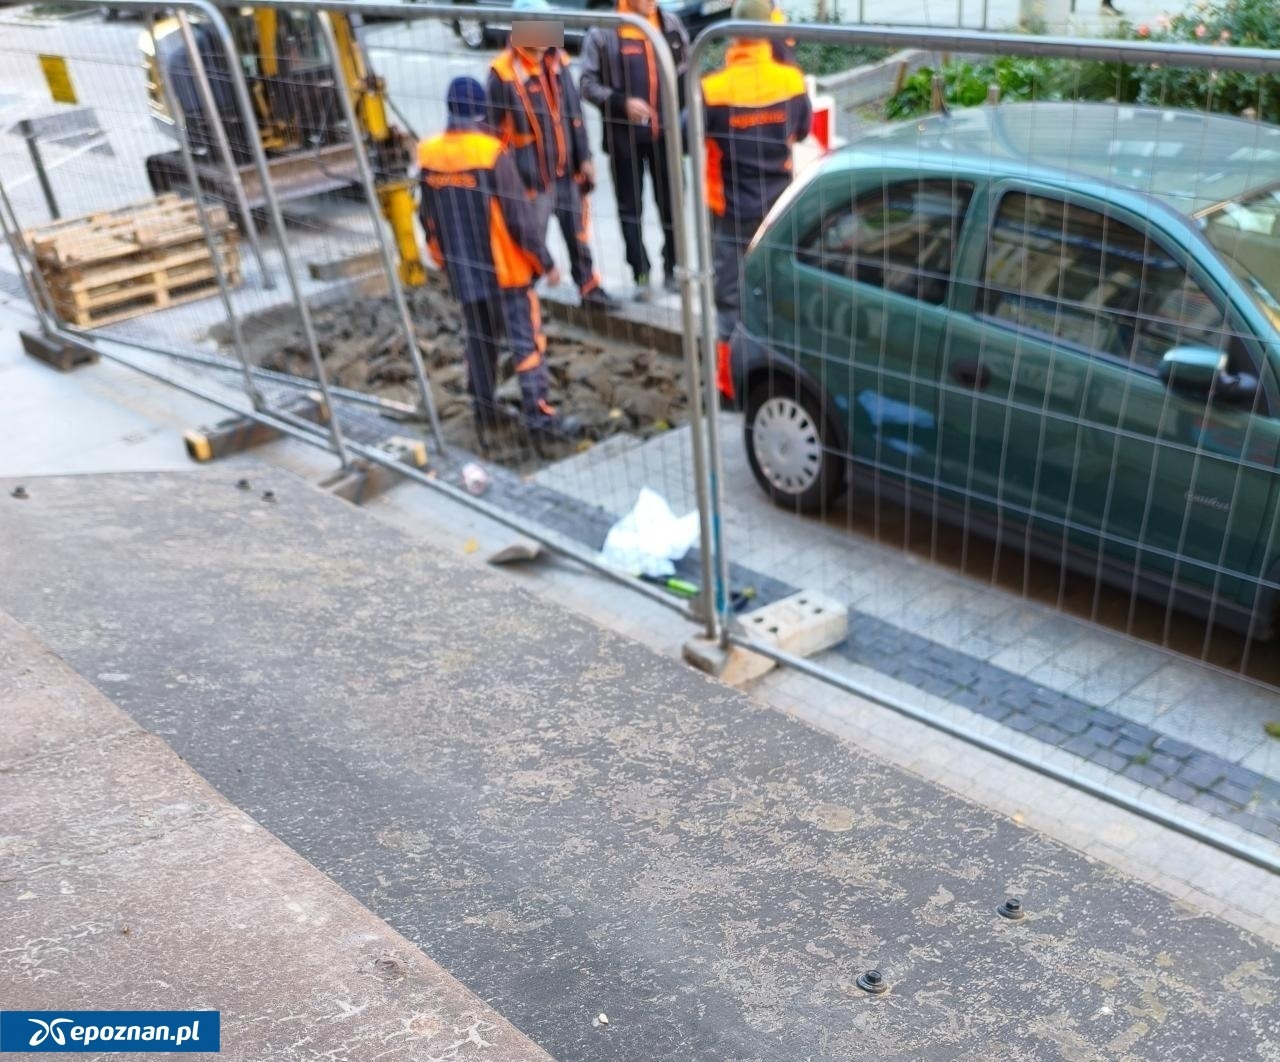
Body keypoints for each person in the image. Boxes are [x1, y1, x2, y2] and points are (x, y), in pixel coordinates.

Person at [418, 76, 566, 443]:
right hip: (507, 274)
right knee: (525, 342)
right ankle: (539, 417)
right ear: (480, 112)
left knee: (479, 340)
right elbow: (519, 220)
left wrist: (442, 259)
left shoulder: (428, 153)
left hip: (464, 273)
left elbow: (428, 218)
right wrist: (545, 262)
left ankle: (484, 409)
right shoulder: (491, 153)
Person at [699, 0, 810, 399]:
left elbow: (685, 138)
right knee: (777, 294)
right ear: (769, 32)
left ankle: (729, 391)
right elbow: (801, 131)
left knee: (729, 303)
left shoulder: (712, 89)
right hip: (779, 211)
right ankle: (778, 381)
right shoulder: (792, 81)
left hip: (730, 214)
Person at [487, 0, 619, 310]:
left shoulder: (557, 60)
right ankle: (520, 305)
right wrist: (509, 180)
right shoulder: (502, 74)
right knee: (530, 243)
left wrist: (584, 157)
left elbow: (573, 112)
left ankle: (589, 290)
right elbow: (493, 137)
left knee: (579, 235)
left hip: (566, 173)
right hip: (531, 180)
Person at [579, 0, 689, 301]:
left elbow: (686, 72)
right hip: (623, 140)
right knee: (631, 210)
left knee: (673, 205)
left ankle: (674, 269)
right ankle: (640, 273)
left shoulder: (671, 25)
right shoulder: (604, 32)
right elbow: (586, 83)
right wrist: (620, 102)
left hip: (666, 138)